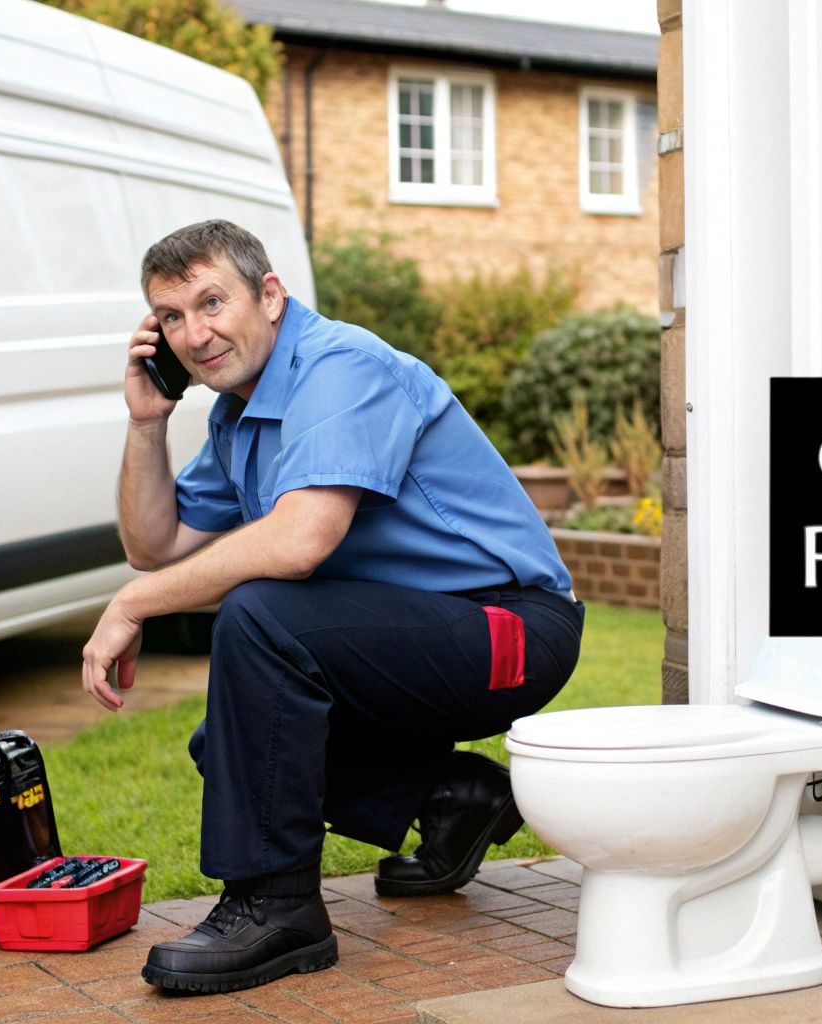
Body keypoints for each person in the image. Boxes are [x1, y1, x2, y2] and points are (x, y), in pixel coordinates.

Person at [80, 220, 584, 996]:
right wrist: (147, 423)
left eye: (212, 301)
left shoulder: (340, 368)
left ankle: (277, 908)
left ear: (270, 296)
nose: (194, 332)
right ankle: (452, 800)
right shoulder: (238, 414)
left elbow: (300, 542)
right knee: (233, 744)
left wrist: (134, 605)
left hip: (510, 628)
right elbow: (156, 543)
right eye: (172, 316)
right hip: (415, 633)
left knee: (260, 611)